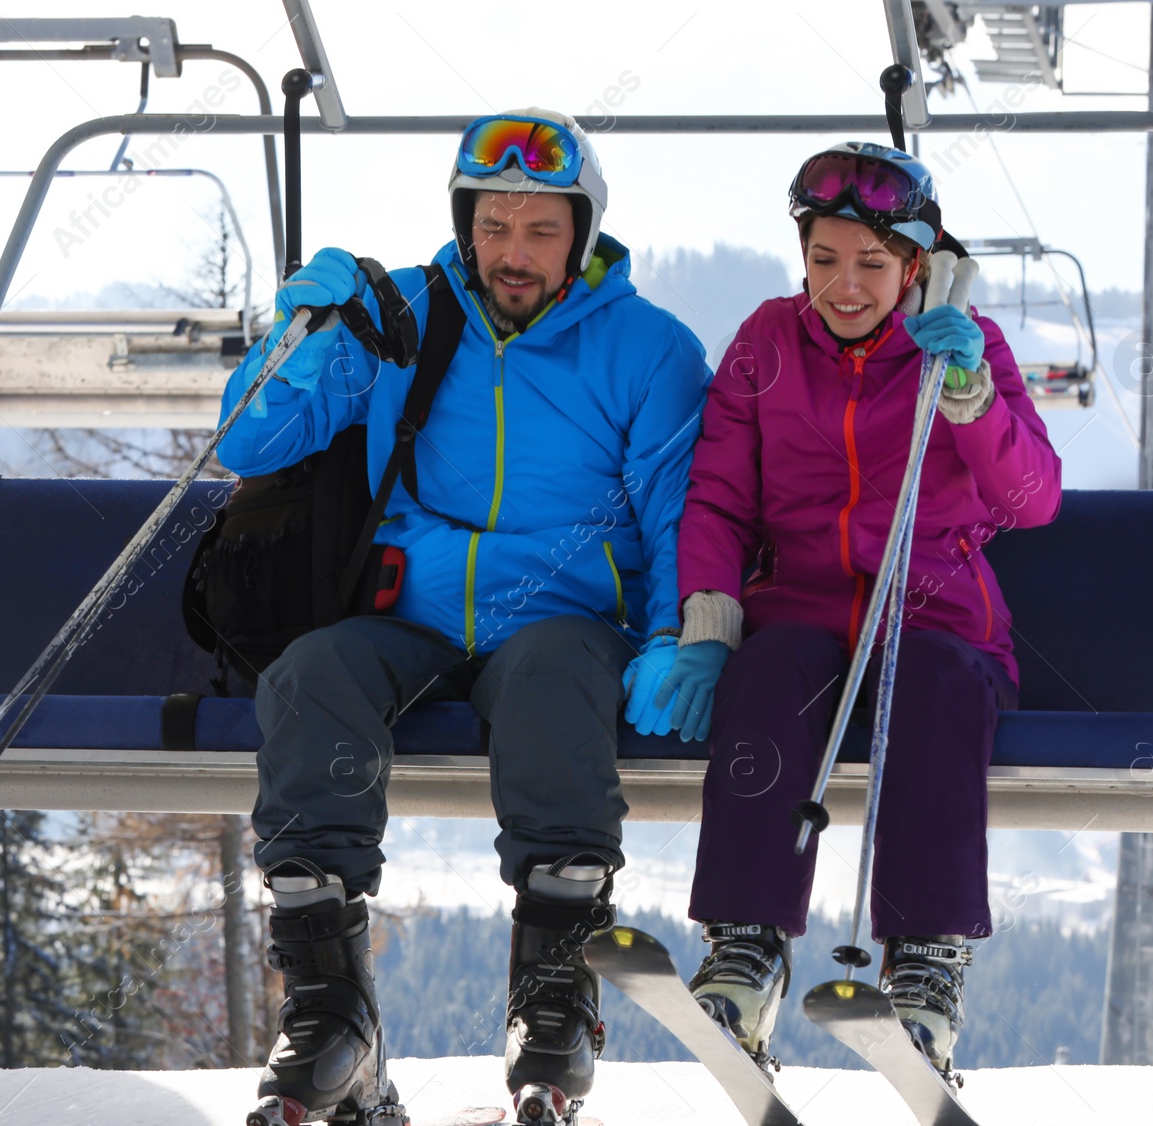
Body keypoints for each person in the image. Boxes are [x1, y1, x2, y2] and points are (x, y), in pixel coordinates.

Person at [216, 109, 710, 1125]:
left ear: (581, 231)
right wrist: (300, 341)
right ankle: (328, 1005)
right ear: (464, 223)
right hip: (416, 612)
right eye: (493, 227)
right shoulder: (401, 314)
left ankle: (553, 995)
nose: (513, 254)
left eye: (539, 230)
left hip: (562, 617)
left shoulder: (647, 349)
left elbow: (678, 512)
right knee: (312, 676)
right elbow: (249, 443)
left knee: (550, 680)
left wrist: (672, 634)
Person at [631, 142, 1062, 1078]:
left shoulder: (964, 343)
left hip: (936, 617)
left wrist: (969, 398)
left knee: (939, 688)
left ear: (918, 264)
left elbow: (1032, 500)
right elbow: (716, 501)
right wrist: (707, 627)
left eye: (872, 263)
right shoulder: (767, 343)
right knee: (770, 670)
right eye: (825, 259)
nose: (845, 285)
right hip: (806, 611)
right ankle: (745, 950)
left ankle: (926, 962)